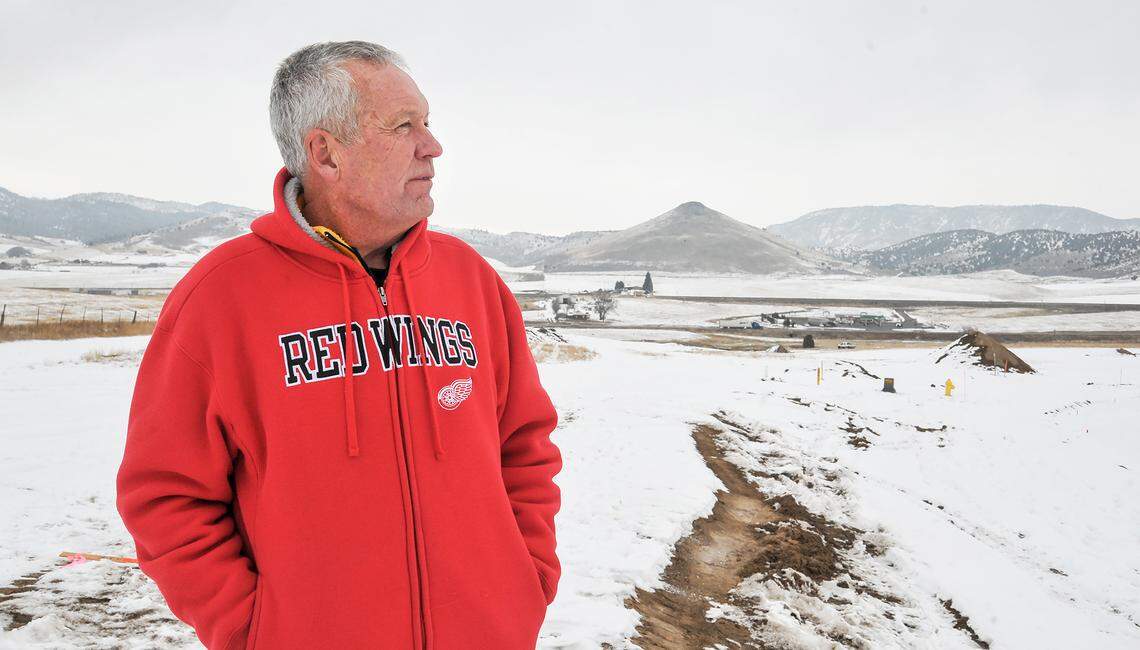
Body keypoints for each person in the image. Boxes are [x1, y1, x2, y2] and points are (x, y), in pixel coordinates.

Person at [115, 41, 562, 650]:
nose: (433, 146)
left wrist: (524, 585)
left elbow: (525, 449)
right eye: (403, 126)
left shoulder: (470, 280)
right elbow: (165, 495)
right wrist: (254, 630)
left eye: (427, 122)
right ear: (325, 154)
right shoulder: (221, 298)